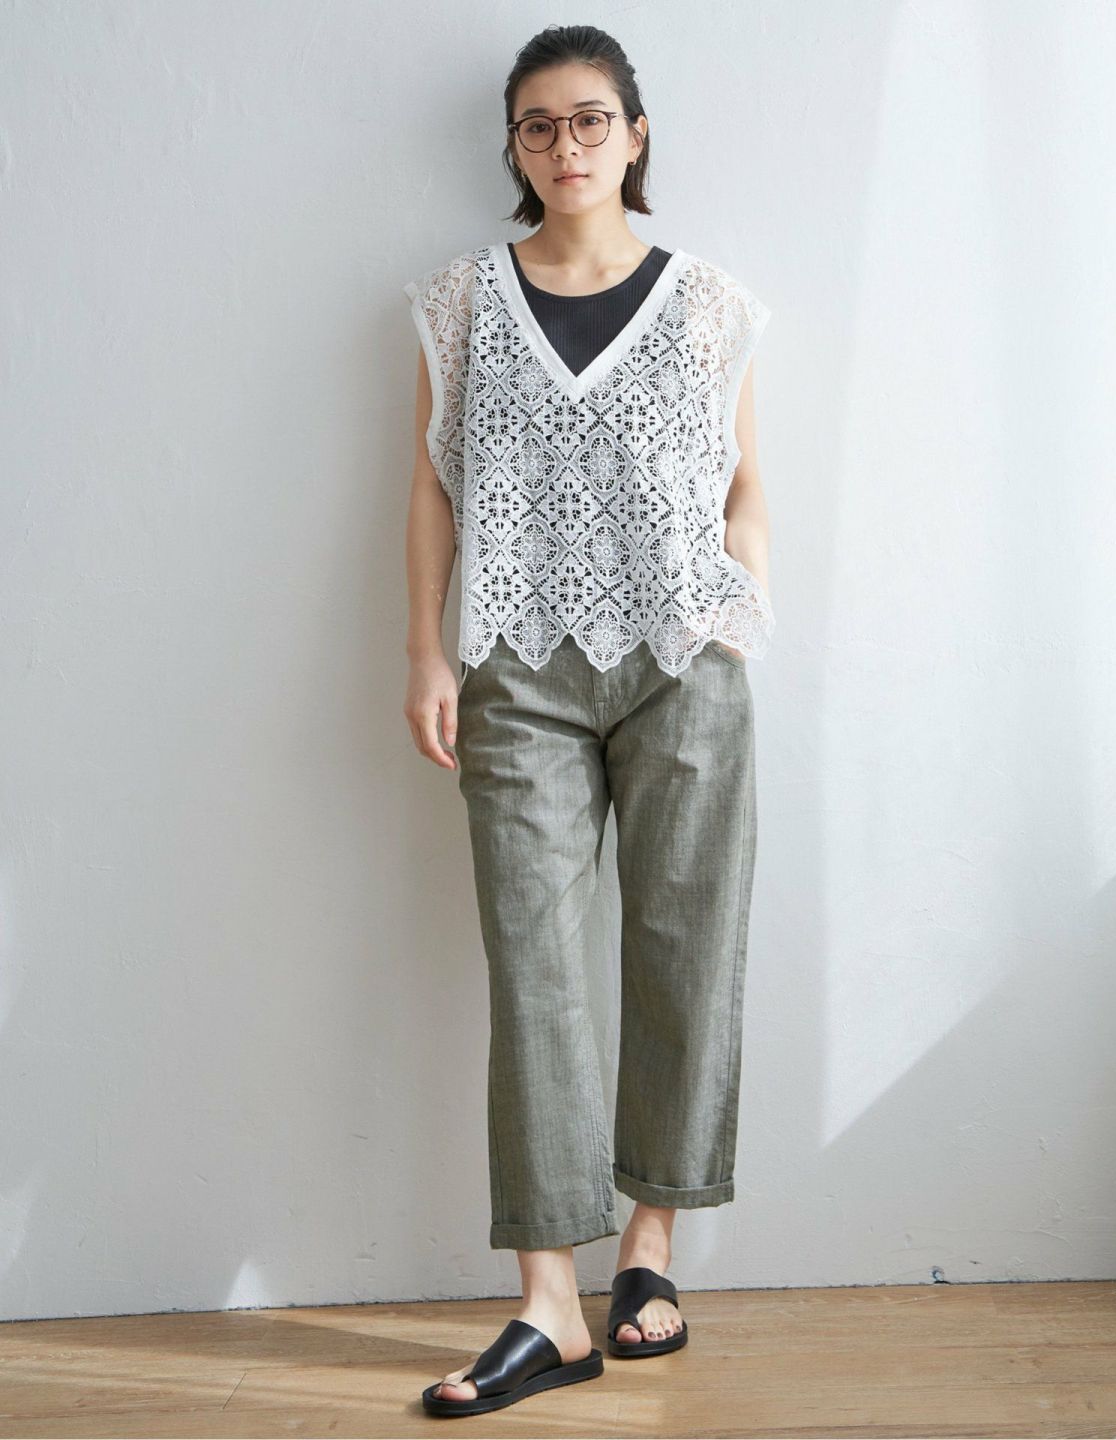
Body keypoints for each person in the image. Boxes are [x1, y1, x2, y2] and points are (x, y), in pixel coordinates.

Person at [403, 23, 775, 1418]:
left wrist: (738, 608)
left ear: (635, 134)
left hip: (686, 664)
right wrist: (427, 652)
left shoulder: (711, 304)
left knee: (685, 945)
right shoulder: (461, 302)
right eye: (539, 125)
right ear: (515, 146)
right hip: (516, 670)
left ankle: (650, 1250)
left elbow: (746, 480)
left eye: (591, 120)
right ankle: (548, 1305)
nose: (567, 146)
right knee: (537, 969)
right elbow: (433, 486)